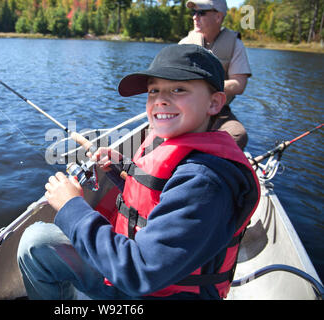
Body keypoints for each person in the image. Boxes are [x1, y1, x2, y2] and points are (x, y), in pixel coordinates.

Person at [16, 44, 260, 300]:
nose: (160, 99)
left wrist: (72, 206)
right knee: (37, 244)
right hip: (132, 271)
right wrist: (118, 168)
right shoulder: (174, 144)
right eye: (154, 90)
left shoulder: (205, 183)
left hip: (151, 290)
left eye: (179, 89)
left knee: (36, 242)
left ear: (214, 102)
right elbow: (156, 195)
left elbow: (138, 273)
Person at [179, 0, 251, 150]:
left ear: (218, 17)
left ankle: (208, 165)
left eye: (201, 13)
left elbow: (239, 84)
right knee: (158, 133)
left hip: (217, 111)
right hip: (184, 109)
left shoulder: (235, 44)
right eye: (194, 12)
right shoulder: (184, 44)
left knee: (238, 135)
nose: (195, 17)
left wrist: (205, 88)